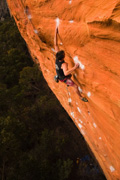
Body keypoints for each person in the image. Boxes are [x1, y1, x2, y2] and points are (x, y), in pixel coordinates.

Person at [54, 27, 88, 102]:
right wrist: (75, 67)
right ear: (63, 57)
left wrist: (55, 33)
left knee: (66, 74)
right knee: (75, 86)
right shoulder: (64, 64)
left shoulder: (57, 57)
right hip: (64, 78)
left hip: (60, 74)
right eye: (64, 54)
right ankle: (80, 97)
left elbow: (56, 45)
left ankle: (57, 77)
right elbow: (66, 73)